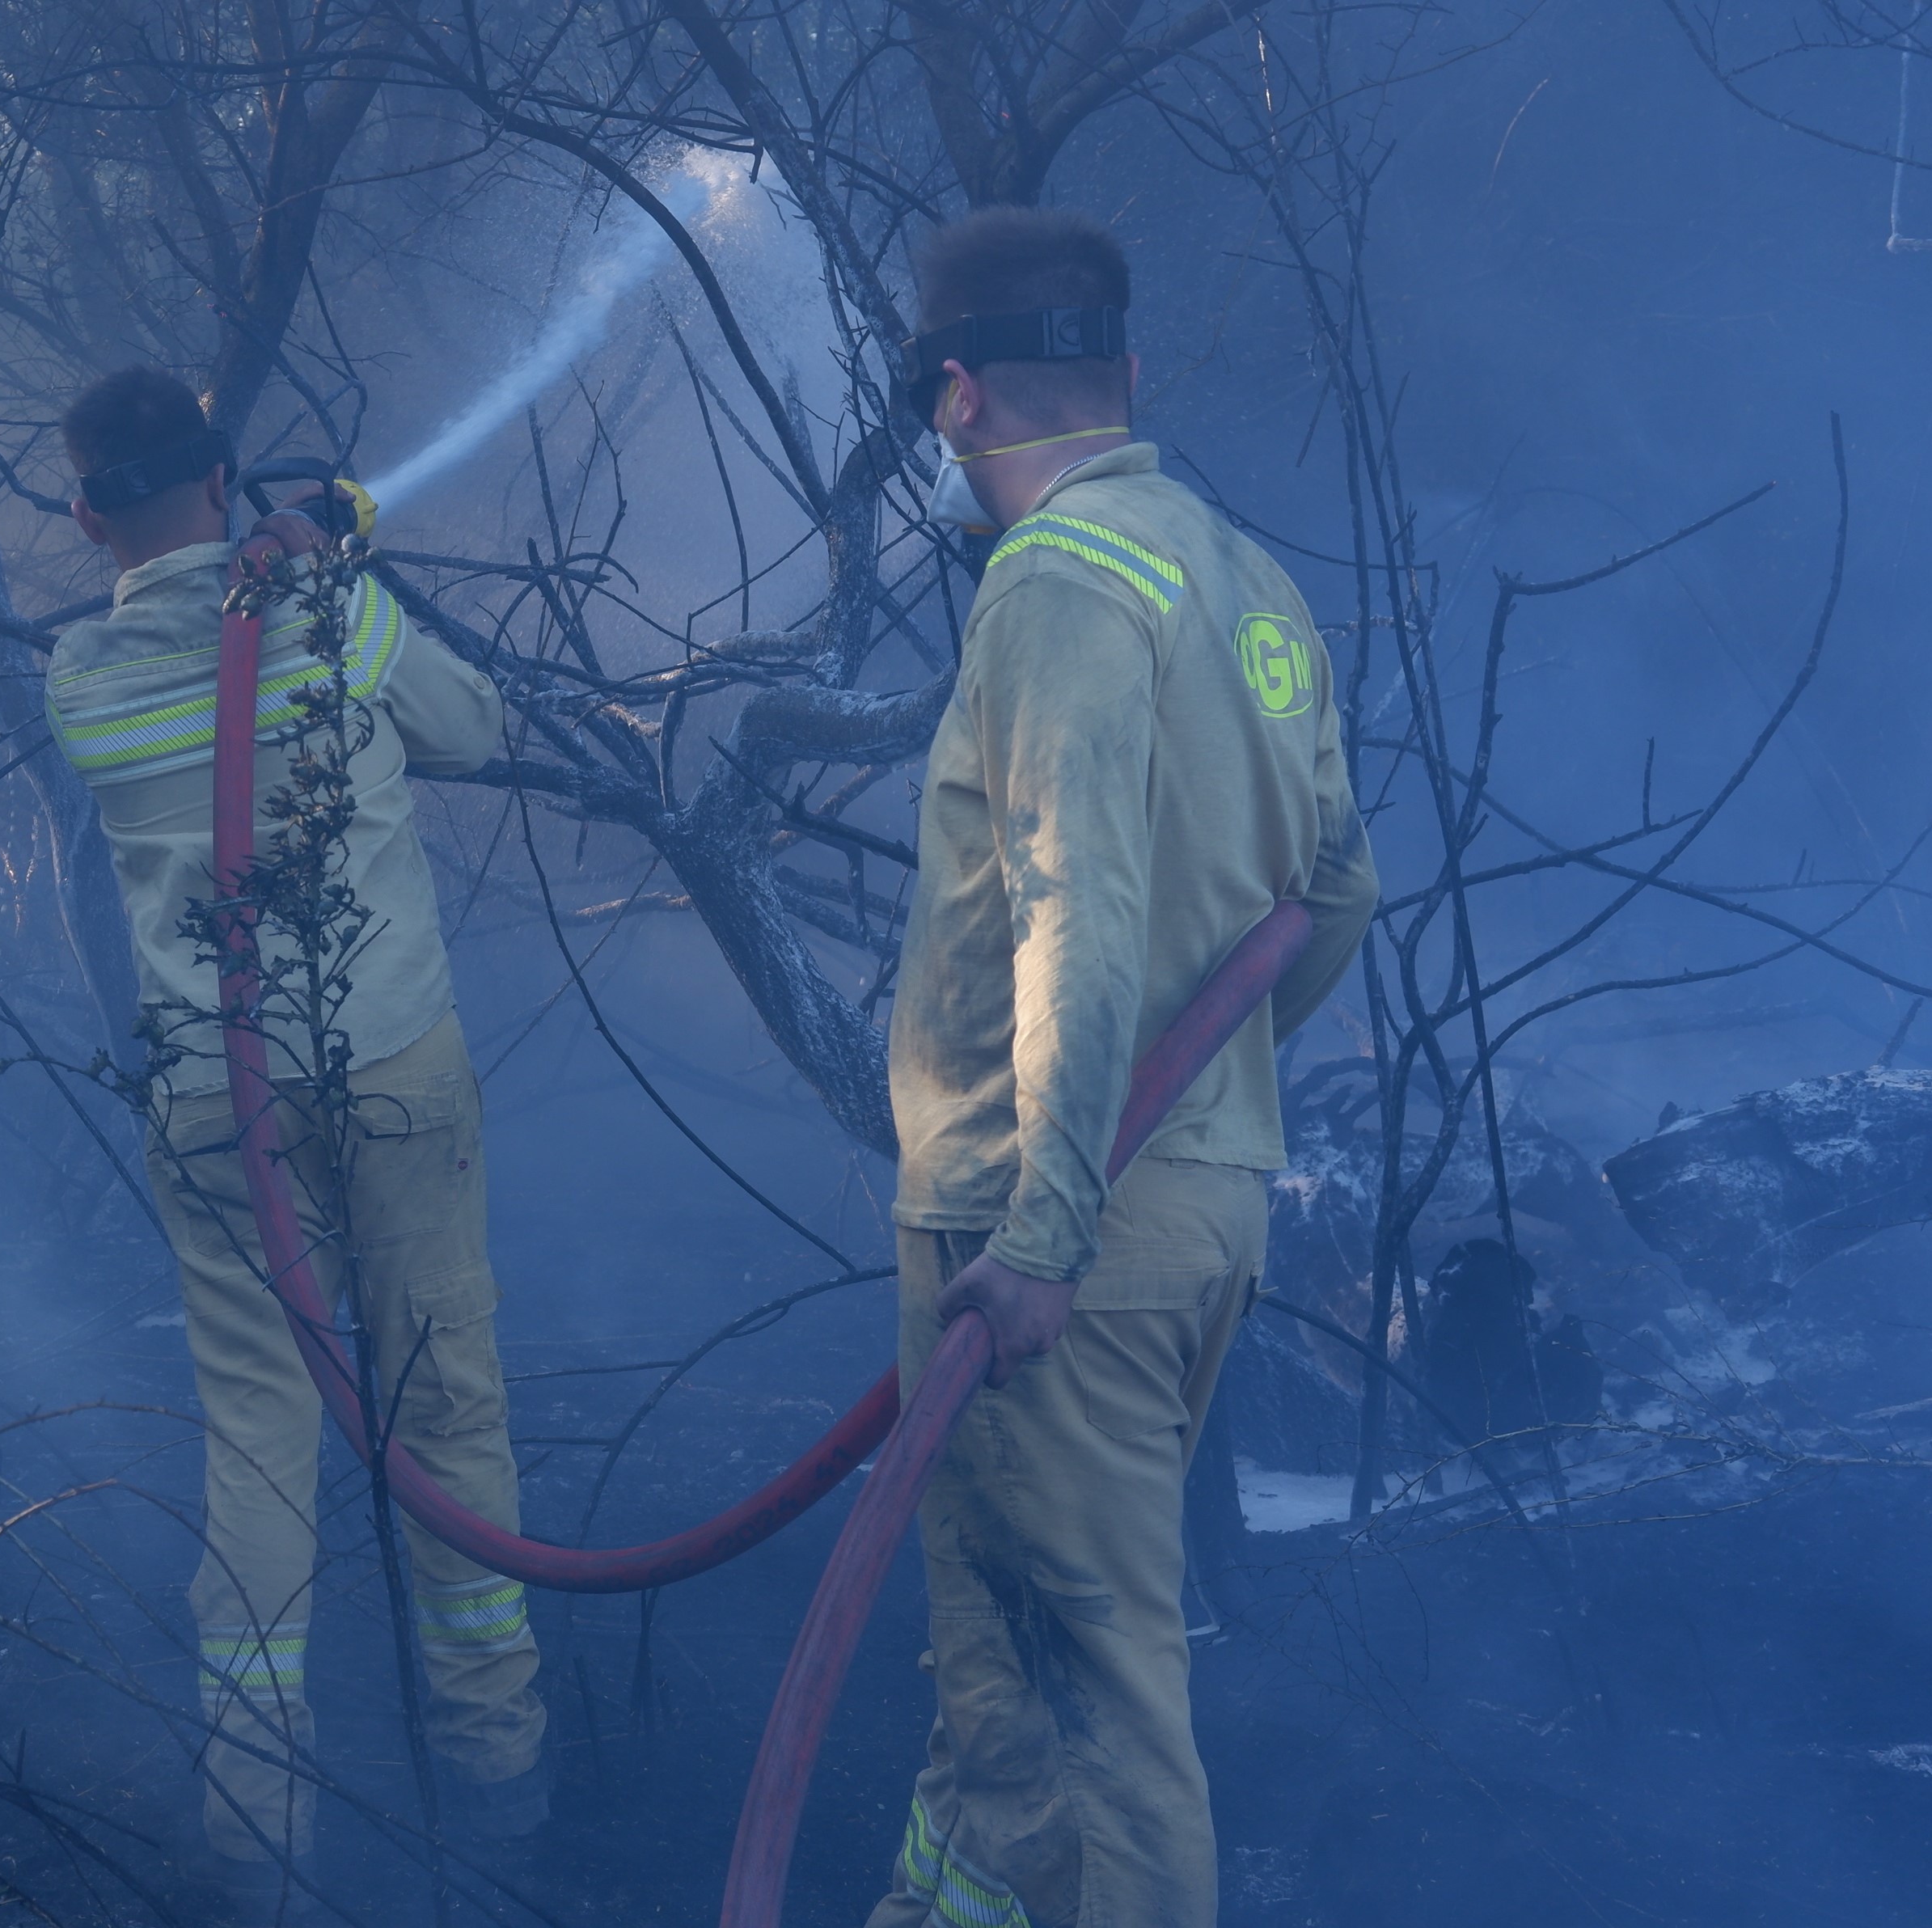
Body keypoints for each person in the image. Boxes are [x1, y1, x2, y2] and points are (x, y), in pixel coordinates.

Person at [874, 207, 1380, 1928]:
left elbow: (1065, 909)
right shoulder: (1240, 577)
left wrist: (1043, 1225)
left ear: (953, 399)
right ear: (1127, 372)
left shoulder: (1059, 583)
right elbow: (1336, 897)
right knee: (1001, 1690)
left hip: (1045, 1231)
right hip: (1186, 1205)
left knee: (1102, 1711)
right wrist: (1205, 1086)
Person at [43, 368, 541, 1916]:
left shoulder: (78, 676)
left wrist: (282, 567)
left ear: (82, 516)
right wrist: (338, 569)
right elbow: (474, 728)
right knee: (444, 1399)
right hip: (389, 1061)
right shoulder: (328, 617)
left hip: (212, 1103)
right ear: (223, 478)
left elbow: (197, 668)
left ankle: (257, 1819)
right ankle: (500, 1771)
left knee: (260, 1443)